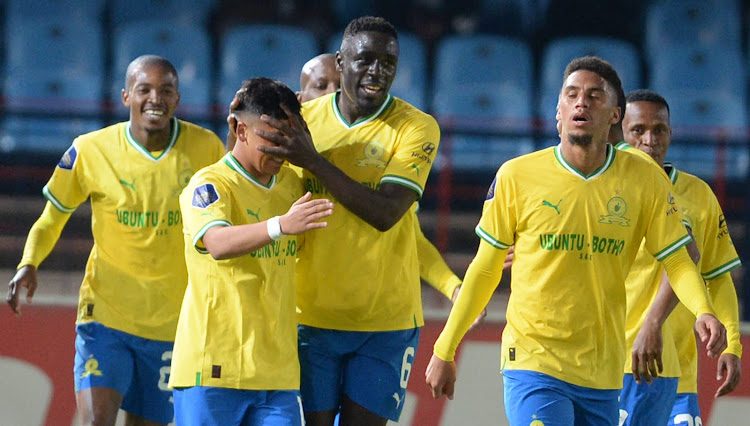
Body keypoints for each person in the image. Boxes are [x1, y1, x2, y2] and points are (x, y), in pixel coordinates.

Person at [424, 56, 726, 425]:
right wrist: (445, 348)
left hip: (603, 370)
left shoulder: (644, 179)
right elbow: (485, 268)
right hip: (534, 360)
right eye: (572, 95)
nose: (581, 102)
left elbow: (678, 259)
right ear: (558, 112)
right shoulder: (517, 176)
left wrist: (703, 309)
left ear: (615, 115)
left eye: (595, 96)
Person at [5, 55, 226, 425]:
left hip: (173, 324)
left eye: (166, 90)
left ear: (177, 99)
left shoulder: (206, 148)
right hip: (106, 317)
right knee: (96, 421)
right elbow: (51, 218)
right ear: (126, 96)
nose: (155, 98)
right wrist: (29, 262)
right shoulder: (90, 150)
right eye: (145, 89)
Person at [254, 16, 441, 426]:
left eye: (388, 62)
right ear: (340, 63)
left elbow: (387, 213)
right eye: (365, 59)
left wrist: (315, 163)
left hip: (385, 322)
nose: (377, 71)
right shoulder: (302, 122)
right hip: (310, 316)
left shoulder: (416, 127)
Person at [169, 77, 333, 425]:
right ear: (240, 130)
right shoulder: (210, 184)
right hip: (213, 368)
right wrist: (280, 226)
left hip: (278, 374)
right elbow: (217, 243)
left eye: (285, 140)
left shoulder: (293, 185)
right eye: (269, 138)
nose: (278, 150)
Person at [617, 90, 742, 426]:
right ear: (621, 134)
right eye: (638, 130)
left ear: (670, 134)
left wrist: (732, 343)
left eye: (659, 130)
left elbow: (717, 276)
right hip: (612, 365)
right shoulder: (605, 189)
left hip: (676, 373)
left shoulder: (698, 195)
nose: (649, 140)